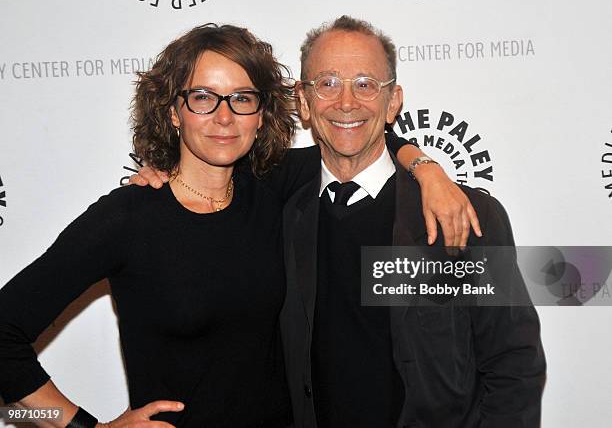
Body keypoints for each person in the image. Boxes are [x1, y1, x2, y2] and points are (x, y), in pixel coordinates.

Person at [0, 23, 479, 428]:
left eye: (242, 98)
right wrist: (78, 426)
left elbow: (354, 136)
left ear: (261, 113)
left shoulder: (273, 189)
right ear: (173, 111)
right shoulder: (128, 216)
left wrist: (425, 167)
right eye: (203, 97)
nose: (224, 117)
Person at [280, 16, 547, 428]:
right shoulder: (278, 209)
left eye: (366, 83)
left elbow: (514, 363)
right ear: (302, 101)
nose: (346, 101)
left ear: (393, 102)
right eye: (327, 83)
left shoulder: (465, 215)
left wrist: (425, 167)